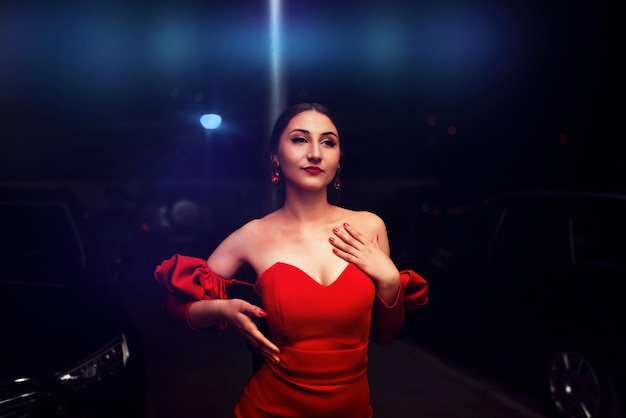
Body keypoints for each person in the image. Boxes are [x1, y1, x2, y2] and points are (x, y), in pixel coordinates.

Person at [154, 102, 428, 418]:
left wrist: (391, 282)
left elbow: (384, 335)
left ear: (339, 161)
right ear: (275, 156)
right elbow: (171, 310)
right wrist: (221, 308)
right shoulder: (252, 236)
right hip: (270, 409)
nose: (315, 153)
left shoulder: (369, 227)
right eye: (300, 139)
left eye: (328, 142)